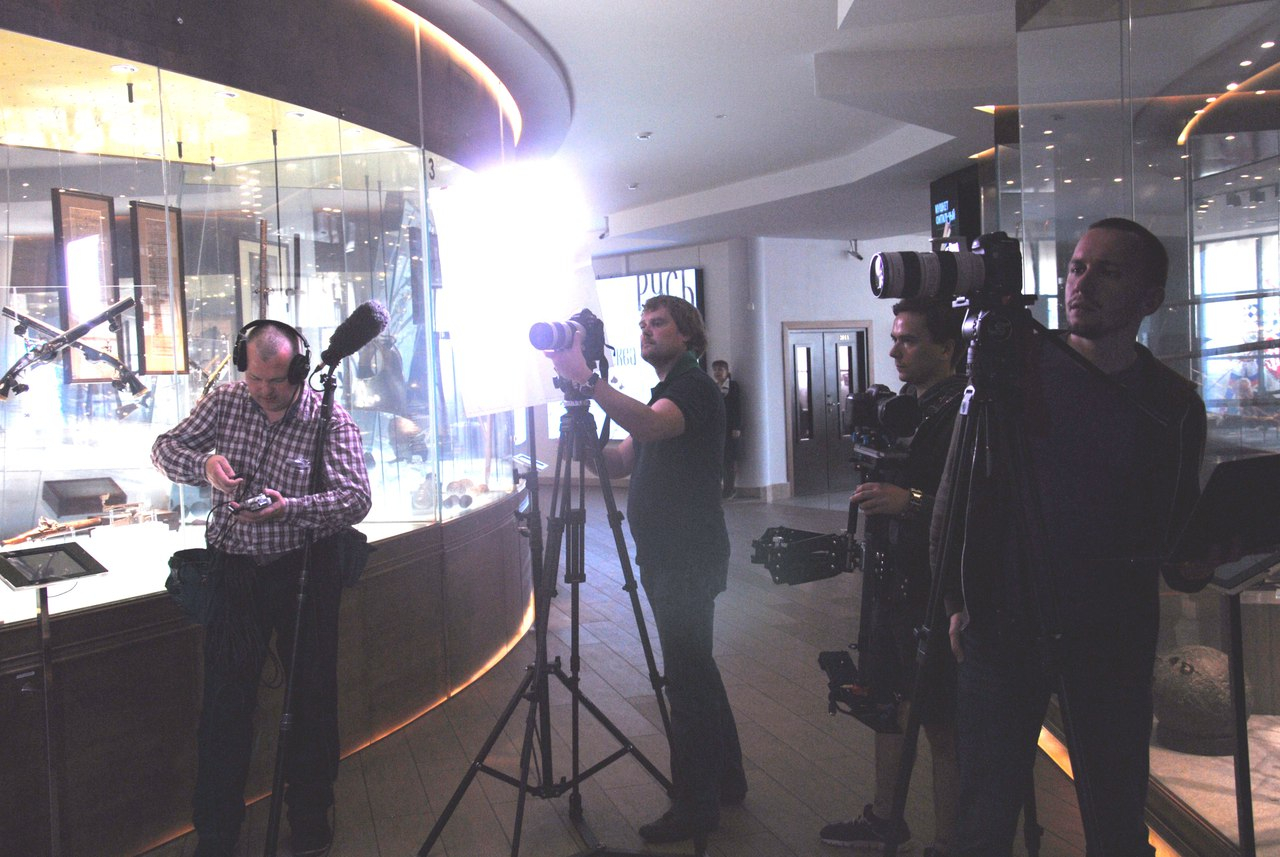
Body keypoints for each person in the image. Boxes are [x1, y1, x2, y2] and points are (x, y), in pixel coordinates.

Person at [940, 218, 1208, 857]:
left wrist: (1202, 560)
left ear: (1150, 298)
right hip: (1004, 621)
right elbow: (959, 494)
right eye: (1077, 268)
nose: (1081, 284)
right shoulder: (1013, 374)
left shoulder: (1173, 404)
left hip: (1112, 631)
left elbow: (1176, 532)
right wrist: (956, 597)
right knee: (982, 820)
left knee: (1117, 821)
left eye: (1107, 271)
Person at [152, 319, 372, 857]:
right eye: (254, 379)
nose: (265, 391)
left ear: (299, 369)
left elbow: (356, 498)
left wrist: (290, 509)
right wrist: (204, 464)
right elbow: (163, 449)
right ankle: (217, 832)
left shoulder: (329, 418)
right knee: (224, 705)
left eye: (276, 380)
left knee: (311, 700)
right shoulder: (226, 402)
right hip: (234, 572)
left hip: (303, 570)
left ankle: (310, 820)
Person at [545, 295, 745, 844]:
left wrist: (589, 381)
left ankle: (696, 806)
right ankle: (728, 781)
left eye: (659, 323)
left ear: (689, 335)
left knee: (686, 679)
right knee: (696, 668)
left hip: (686, 555)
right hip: (669, 553)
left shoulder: (693, 387)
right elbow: (619, 461)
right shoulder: (666, 392)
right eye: (642, 325)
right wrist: (582, 440)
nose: (647, 331)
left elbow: (652, 429)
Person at [819, 297, 965, 855]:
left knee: (942, 719)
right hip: (892, 576)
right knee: (887, 702)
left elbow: (974, 502)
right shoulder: (908, 406)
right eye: (894, 338)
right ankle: (885, 817)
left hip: (936, 586)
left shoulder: (963, 412)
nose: (896, 350)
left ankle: (950, 842)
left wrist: (912, 501)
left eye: (909, 339)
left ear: (946, 347)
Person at [711, 359, 742, 498]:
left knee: (730, 459)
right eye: (715, 370)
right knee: (720, 459)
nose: (717, 372)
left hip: (731, 429)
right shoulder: (713, 387)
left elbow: (737, 407)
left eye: (720, 369)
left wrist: (737, 426)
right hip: (717, 429)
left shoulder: (733, 386)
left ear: (727, 371)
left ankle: (730, 488)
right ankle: (721, 488)